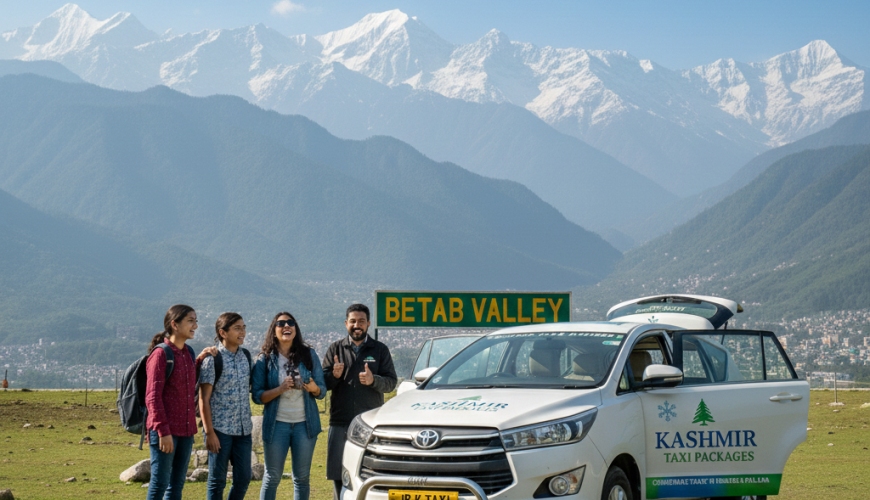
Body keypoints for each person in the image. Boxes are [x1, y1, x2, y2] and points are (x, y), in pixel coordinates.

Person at [322, 303, 397, 500]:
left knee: (370, 472)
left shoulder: (380, 350)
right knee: (338, 473)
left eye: (361, 321)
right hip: (340, 422)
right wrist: (334, 376)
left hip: (370, 423)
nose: (357, 325)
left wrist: (374, 381)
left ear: (368, 324)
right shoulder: (335, 348)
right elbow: (323, 384)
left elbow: (391, 383)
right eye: (353, 321)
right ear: (346, 323)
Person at [252, 312, 326, 500]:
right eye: (281, 323)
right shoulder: (265, 359)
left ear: (295, 328)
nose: (286, 326)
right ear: (273, 330)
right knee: (272, 476)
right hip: (277, 424)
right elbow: (257, 396)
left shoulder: (309, 355)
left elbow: (322, 390)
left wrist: (314, 388)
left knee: (301, 478)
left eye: (290, 322)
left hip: (305, 425)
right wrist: (281, 388)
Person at [144, 304, 199, 500]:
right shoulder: (161, 354)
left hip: (186, 430)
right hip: (165, 431)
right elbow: (152, 397)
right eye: (190, 321)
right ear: (175, 324)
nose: (195, 325)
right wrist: (163, 431)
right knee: (159, 484)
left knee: (177, 486)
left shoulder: (189, 353)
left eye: (196, 320)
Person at [199, 312, 253, 500]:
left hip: (244, 430)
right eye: (237, 328)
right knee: (217, 480)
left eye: (244, 327)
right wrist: (209, 432)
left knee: (244, 478)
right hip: (219, 430)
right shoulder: (212, 359)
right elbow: (203, 399)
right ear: (223, 332)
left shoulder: (246, 356)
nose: (243, 332)